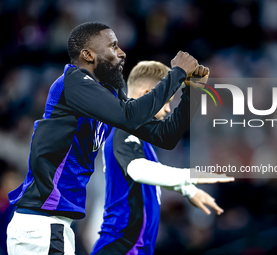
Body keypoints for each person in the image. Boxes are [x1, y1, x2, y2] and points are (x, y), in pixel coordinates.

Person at [6, 21, 204, 255]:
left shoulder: (106, 100)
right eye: (112, 46)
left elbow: (165, 136)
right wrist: (177, 73)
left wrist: (193, 89)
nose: (122, 52)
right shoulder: (73, 82)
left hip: (53, 227)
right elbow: (130, 116)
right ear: (88, 54)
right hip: (40, 225)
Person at [91, 61, 234, 255]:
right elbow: (137, 170)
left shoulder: (152, 132)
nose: (168, 109)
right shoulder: (122, 131)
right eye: (165, 102)